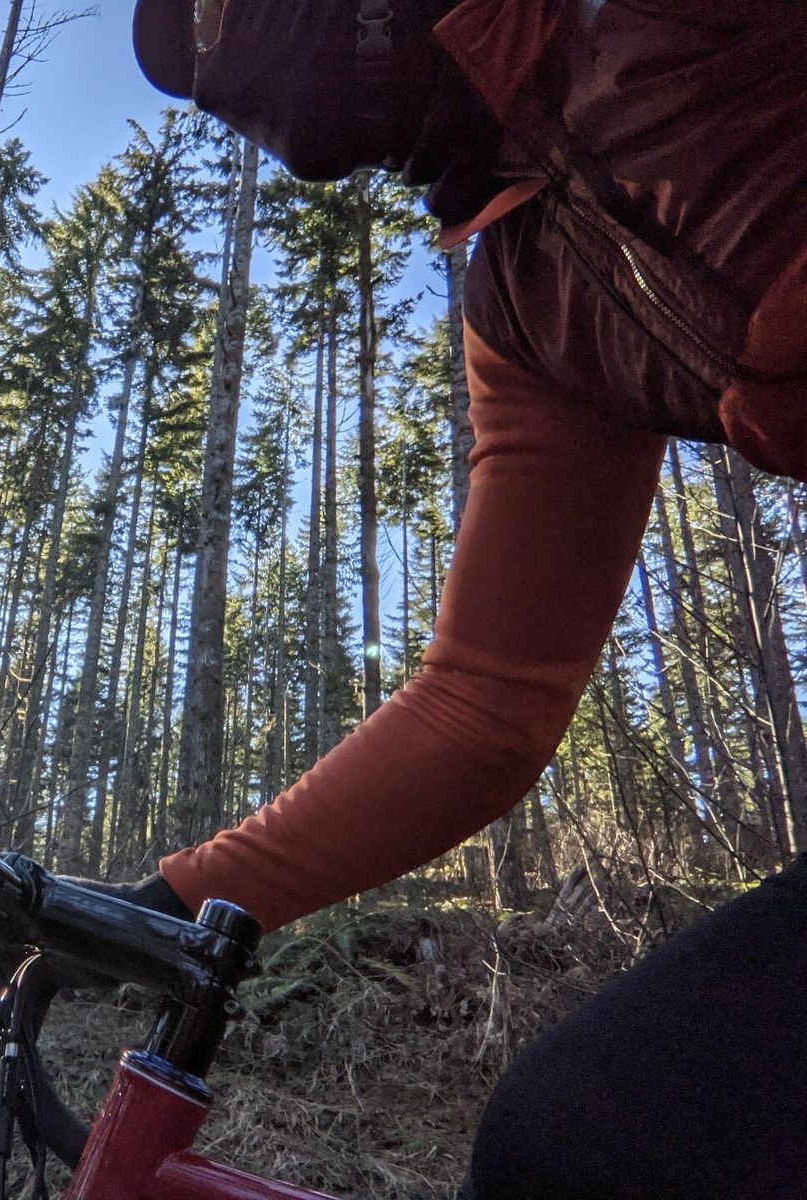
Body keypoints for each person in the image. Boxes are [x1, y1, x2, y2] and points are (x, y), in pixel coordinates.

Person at [109, 1, 807, 1196]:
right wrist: (168, 901)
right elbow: (481, 708)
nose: (226, 70)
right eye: (206, 70)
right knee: (576, 1148)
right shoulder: (524, 306)